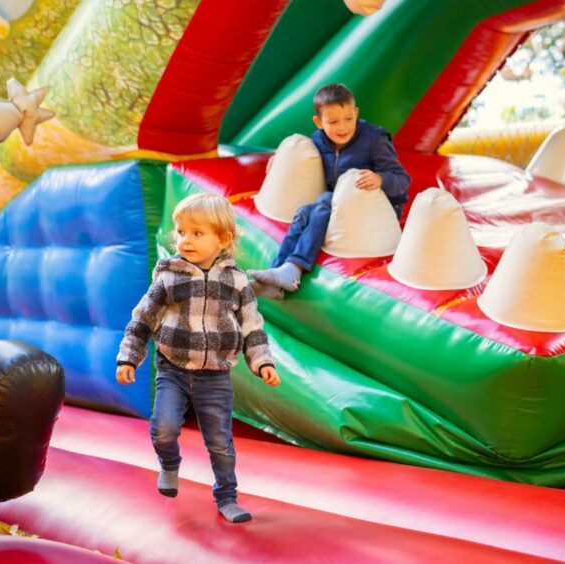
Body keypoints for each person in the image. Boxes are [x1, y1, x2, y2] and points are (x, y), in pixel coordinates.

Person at [116, 192, 280, 524]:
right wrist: (129, 357)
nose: (185, 240)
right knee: (163, 429)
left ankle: (227, 496)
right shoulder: (169, 278)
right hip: (173, 369)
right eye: (181, 232)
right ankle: (170, 464)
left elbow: (252, 325)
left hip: (215, 376)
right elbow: (142, 318)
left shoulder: (236, 282)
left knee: (220, 441)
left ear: (223, 239)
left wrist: (262, 361)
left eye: (197, 233)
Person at [250, 83, 411, 299]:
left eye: (348, 118)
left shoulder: (375, 139)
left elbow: (402, 179)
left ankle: (294, 268)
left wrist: (380, 179)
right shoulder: (319, 141)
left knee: (325, 200)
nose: (342, 127)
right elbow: (302, 156)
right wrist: (279, 160)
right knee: (303, 212)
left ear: (356, 113)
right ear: (319, 122)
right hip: (339, 205)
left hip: (379, 212)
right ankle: (276, 275)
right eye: (333, 121)